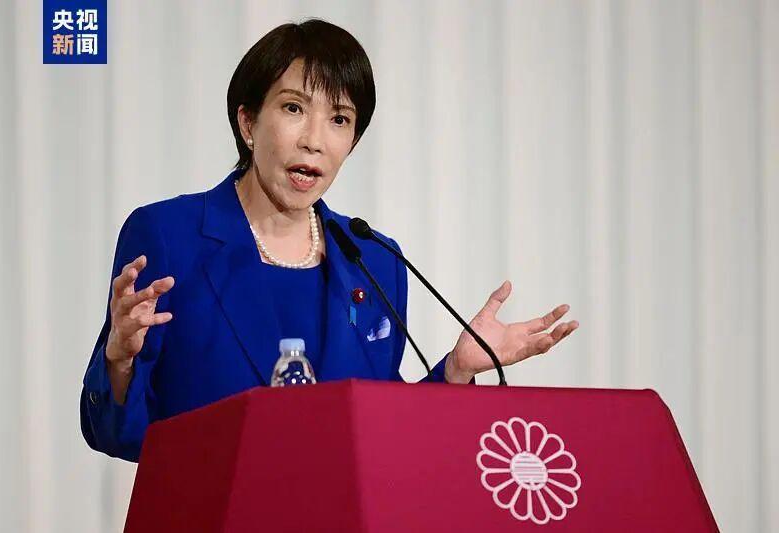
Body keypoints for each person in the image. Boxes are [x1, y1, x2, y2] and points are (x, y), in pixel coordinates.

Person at [80, 18, 579, 462]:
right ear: (248, 122)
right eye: (294, 108)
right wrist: (119, 358)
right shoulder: (168, 236)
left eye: (339, 119)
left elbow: (383, 427)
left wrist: (456, 370)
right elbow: (120, 435)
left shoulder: (374, 260)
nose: (314, 140)